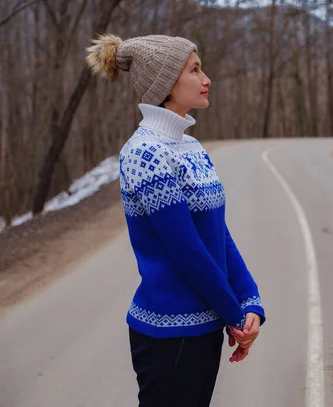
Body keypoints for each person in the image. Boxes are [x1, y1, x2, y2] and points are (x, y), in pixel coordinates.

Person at [85, 34, 266, 407]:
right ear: (166, 83)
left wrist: (250, 304)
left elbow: (219, 235)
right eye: (195, 70)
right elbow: (186, 251)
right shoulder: (144, 153)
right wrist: (234, 315)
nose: (207, 79)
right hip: (169, 334)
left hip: (205, 327)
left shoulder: (190, 146)